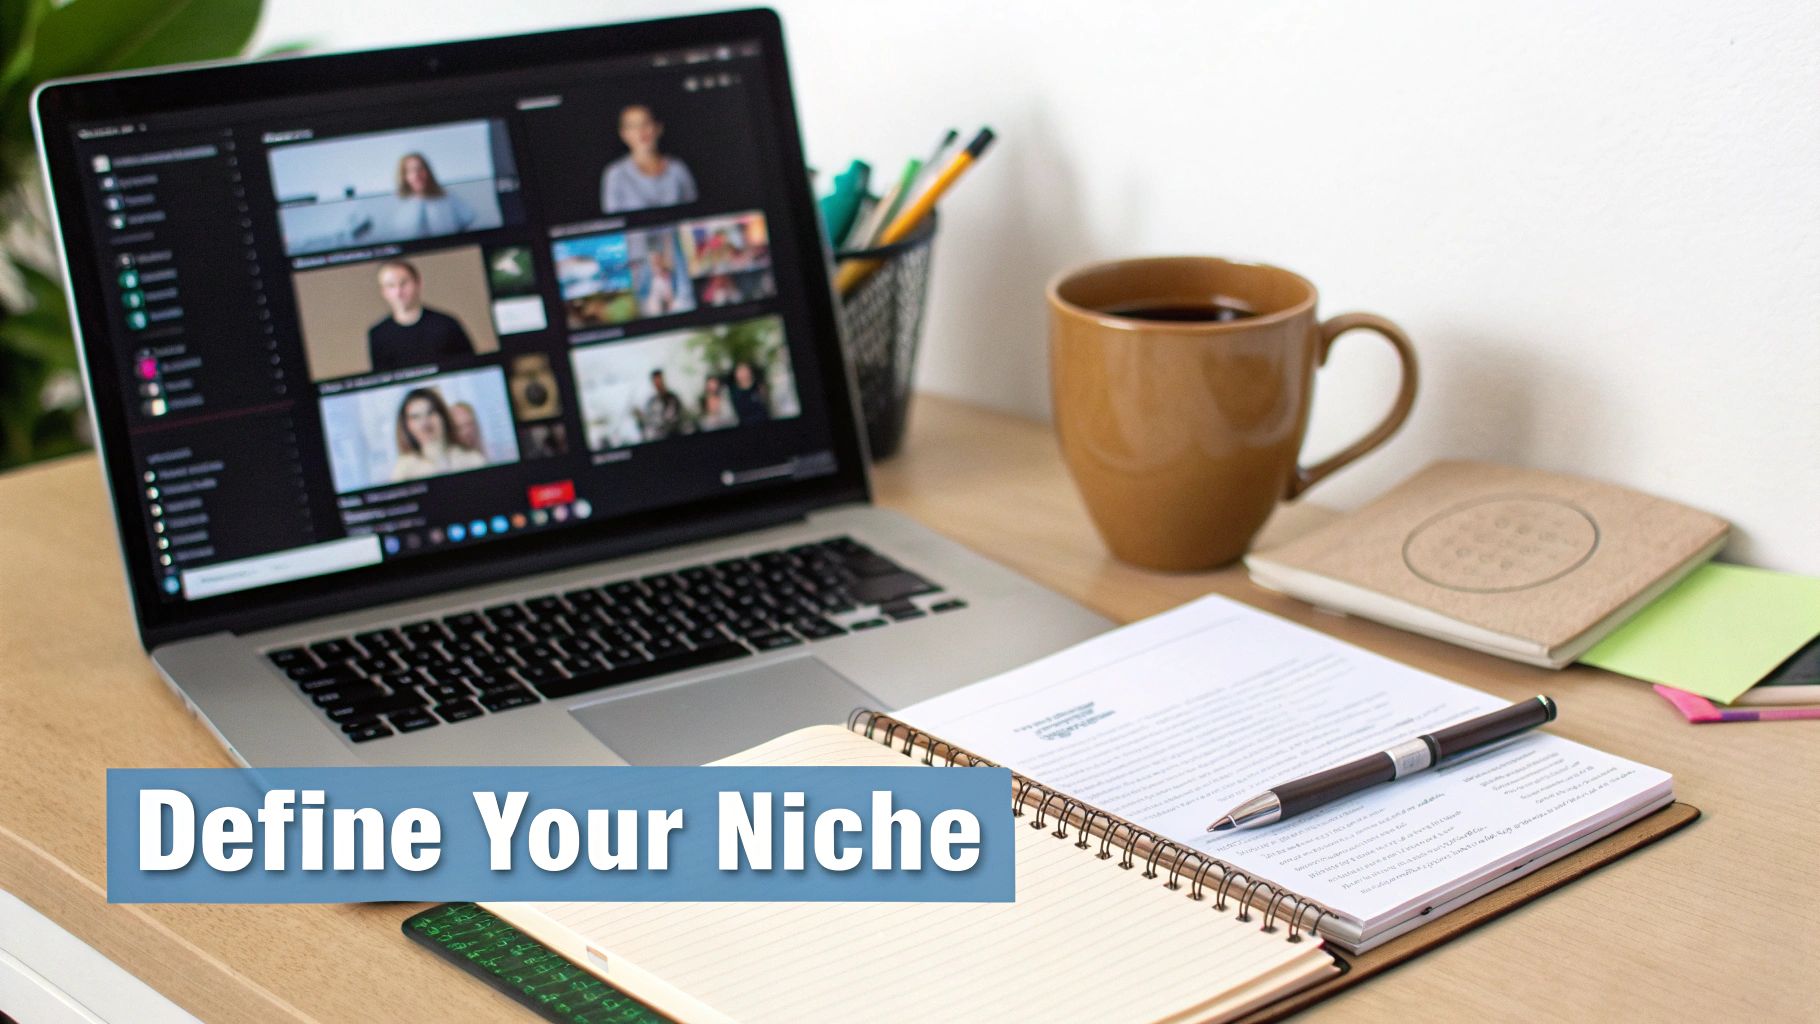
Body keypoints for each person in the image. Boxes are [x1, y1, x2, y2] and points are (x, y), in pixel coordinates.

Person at [366, 259, 478, 371]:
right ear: (383, 292)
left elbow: (472, 367)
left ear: (418, 283)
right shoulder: (378, 335)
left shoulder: (446, 324)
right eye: (390, 286)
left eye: (403, 283)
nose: (398, 292)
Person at [601, 105, 699, 213]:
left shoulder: (678, 168)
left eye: (646, 123)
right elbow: (613, 220)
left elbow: (694, 213)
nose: (641, 131)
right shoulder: (616, 174)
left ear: (658, 127)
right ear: (623, 134)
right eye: (632, 126)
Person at [391, 387, 487, 481]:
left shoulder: (472, 459)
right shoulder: (404, 470)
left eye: (430, 413)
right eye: (415, 417)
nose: (424, 423)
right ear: (406, 426)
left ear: (443, 416)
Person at [391, 152, 478, 240]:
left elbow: (468, 220)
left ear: (427, 171)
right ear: (404, 176)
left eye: (420, 168)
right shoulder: (399, 204)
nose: (416, 175)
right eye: (410, 171)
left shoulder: (447, 196)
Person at [637, 369, 689, 441]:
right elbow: (649, 421)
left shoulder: (673, 398)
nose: (658, 384)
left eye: (659, 380)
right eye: (655, 381)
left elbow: (678, 418)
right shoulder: (651, 402)